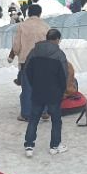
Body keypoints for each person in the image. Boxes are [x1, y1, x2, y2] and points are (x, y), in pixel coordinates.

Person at [22, 29, 69, 157]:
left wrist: (34, 84)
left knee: (34, 119)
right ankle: (55, 146)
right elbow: (64, 75)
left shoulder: (34, 51)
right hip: (54, 93)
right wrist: (62, 90)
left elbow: (27, 70)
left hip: (38, 91)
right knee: (56, 120)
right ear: (57, 39)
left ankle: (29, 146)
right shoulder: (59, 54)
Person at [9, 4, 50, 122]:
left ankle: (26, 114)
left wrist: (14, 54)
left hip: (26, 61)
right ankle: (44, 111)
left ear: (28, 13)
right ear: (40, 13)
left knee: (27, 89)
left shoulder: (22, 26)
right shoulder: (46, 26)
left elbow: (17, 45)